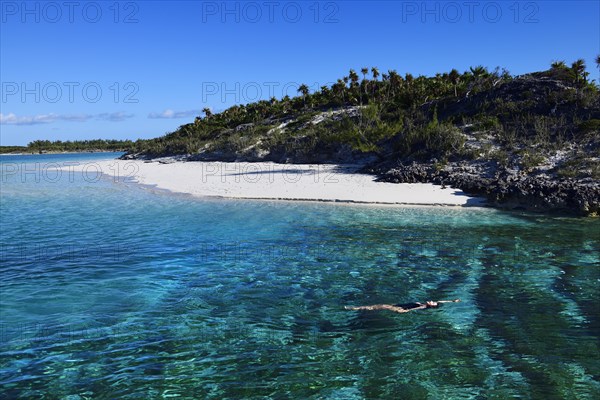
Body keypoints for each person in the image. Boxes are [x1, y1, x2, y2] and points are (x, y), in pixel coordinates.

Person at [344, 299, 460, 314]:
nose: (431, 300)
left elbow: (414, 309)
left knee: (381, 305)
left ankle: (354, 308)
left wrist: (404, 311)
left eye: (432, 302)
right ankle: (358, 308)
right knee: (379, 305)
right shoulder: (426, 304)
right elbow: (441, 301)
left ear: (431, 306)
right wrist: (453, 301)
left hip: (401, 309)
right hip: (400, 305)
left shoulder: (423, 307)